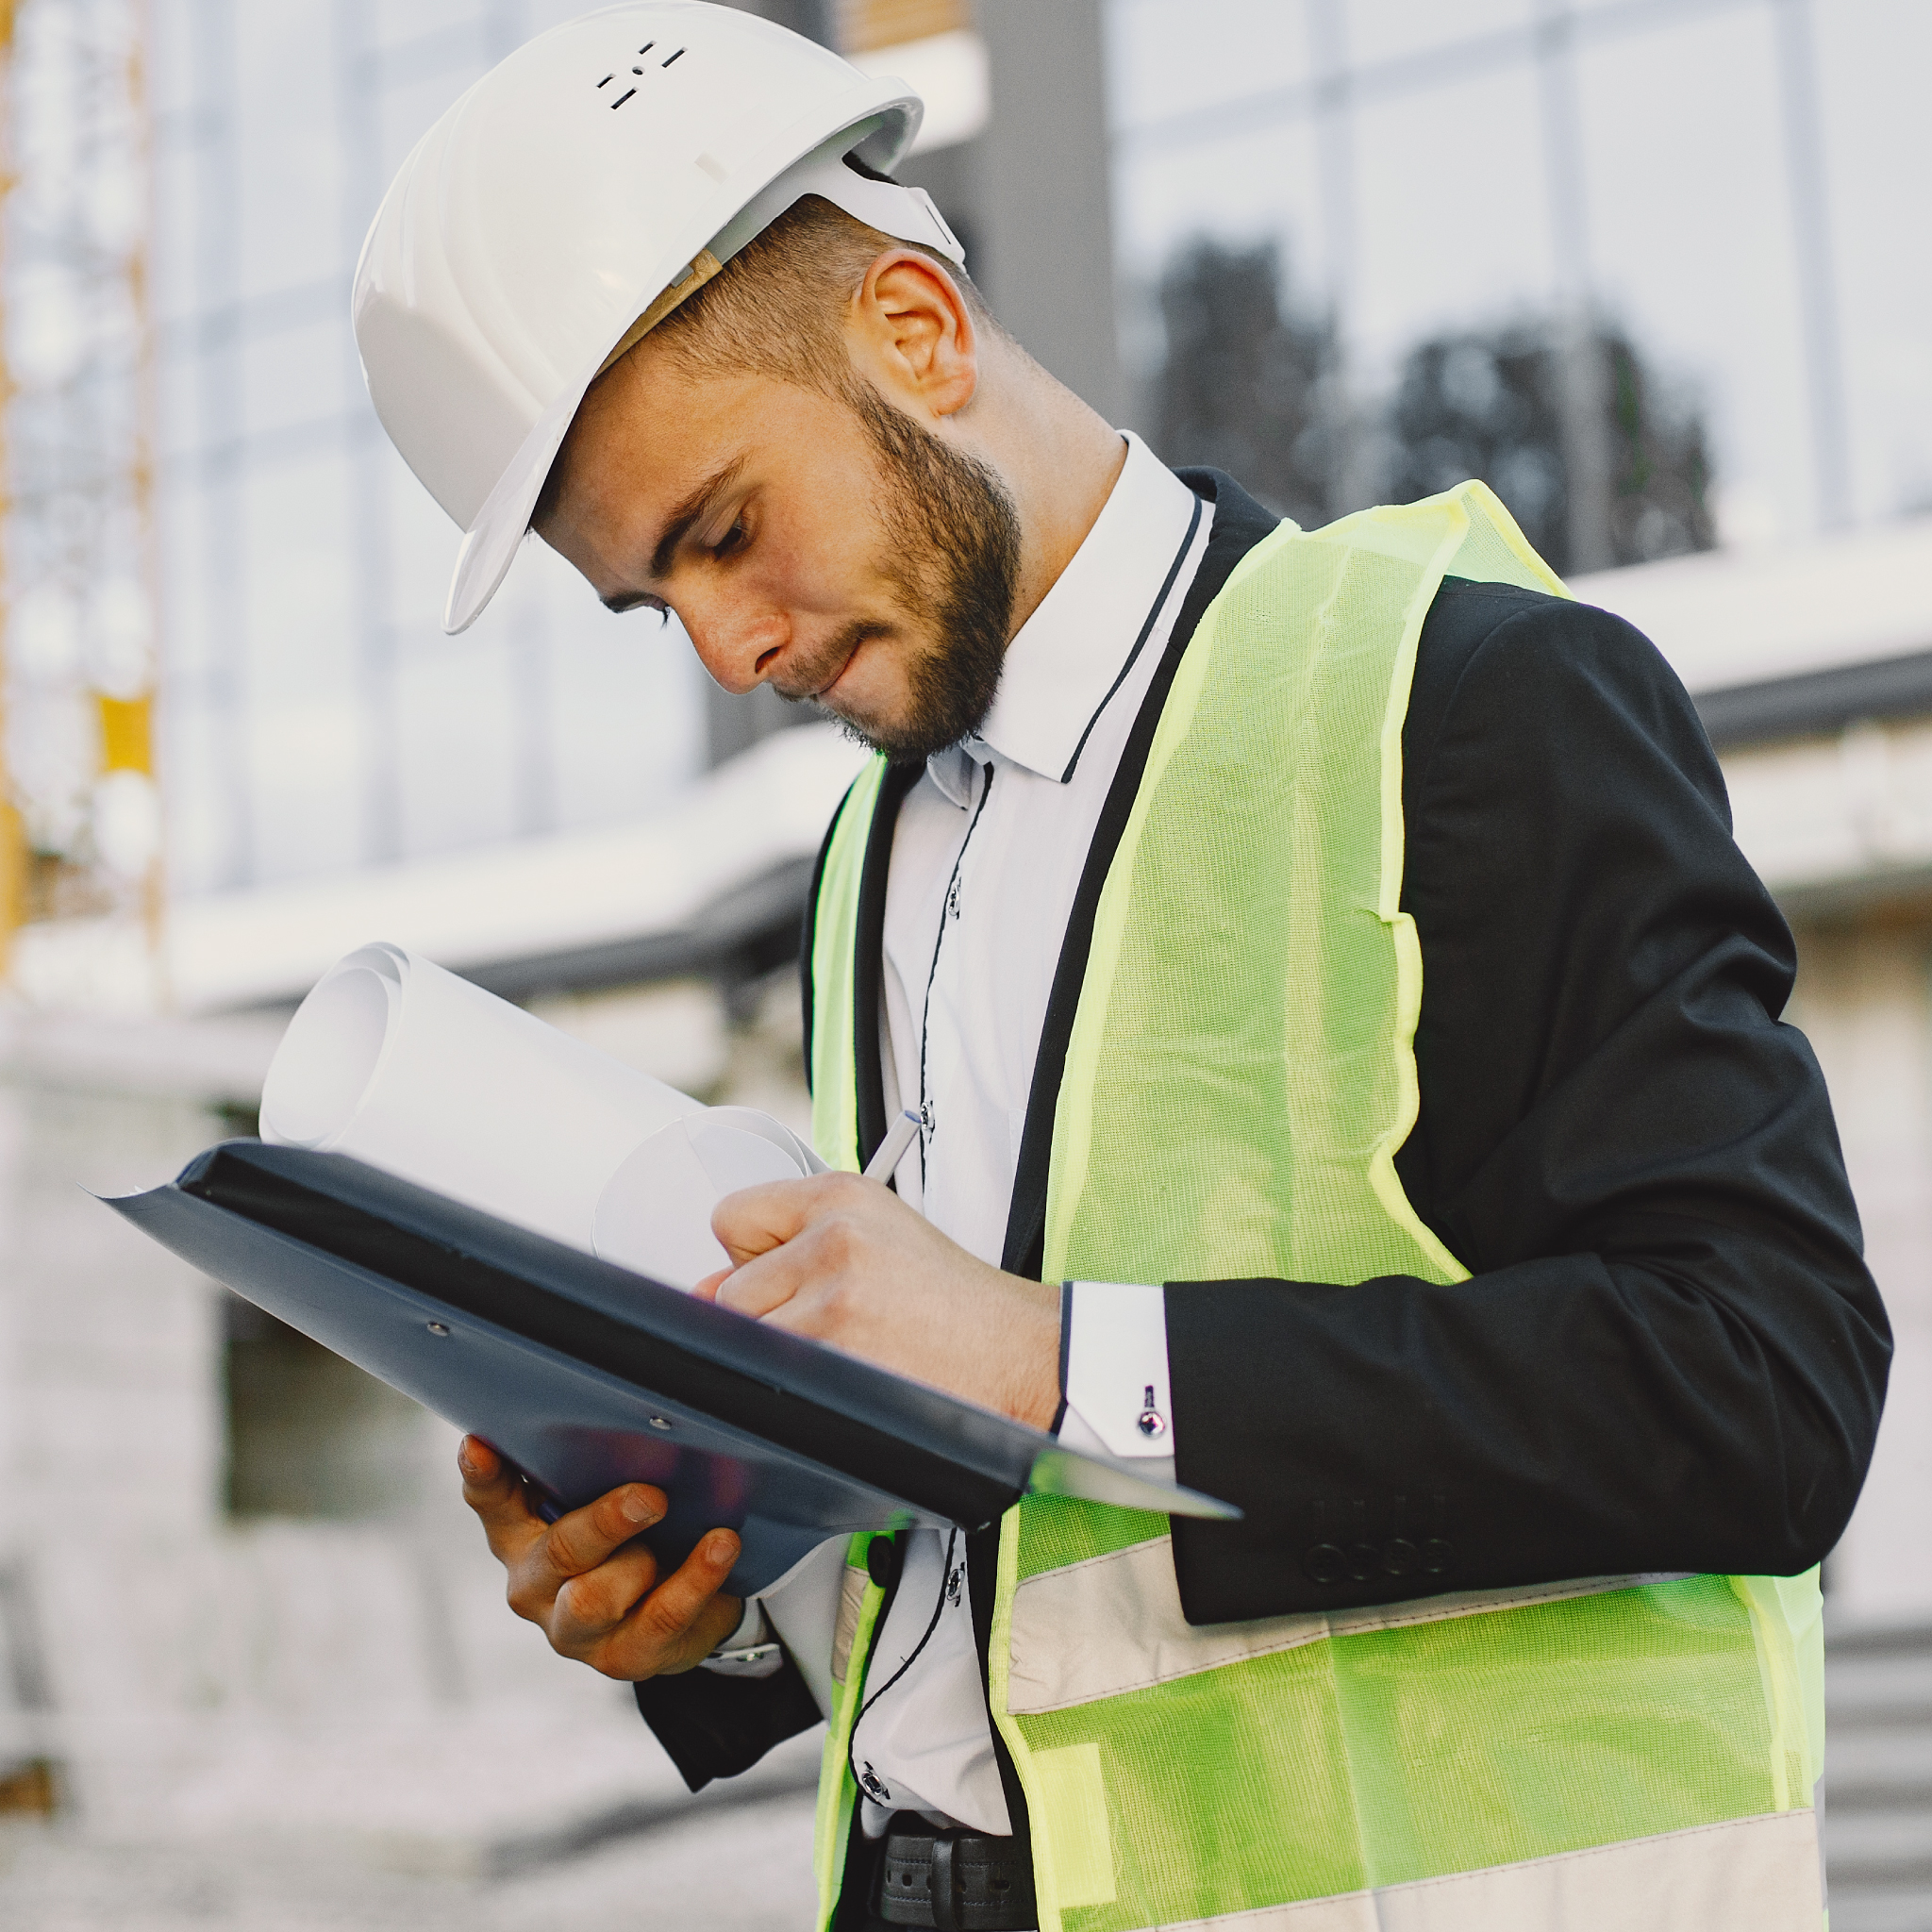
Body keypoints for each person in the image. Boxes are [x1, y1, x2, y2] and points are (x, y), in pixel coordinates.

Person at [353, 8, 1890, 1928]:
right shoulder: (866, 860)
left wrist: (1038, 1345)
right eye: (651, 597)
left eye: (726, 533)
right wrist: (704, 1590)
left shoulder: (1457, 699)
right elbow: (1014, 1589)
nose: (724, 650)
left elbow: (1761, 1388)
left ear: (915, 330)